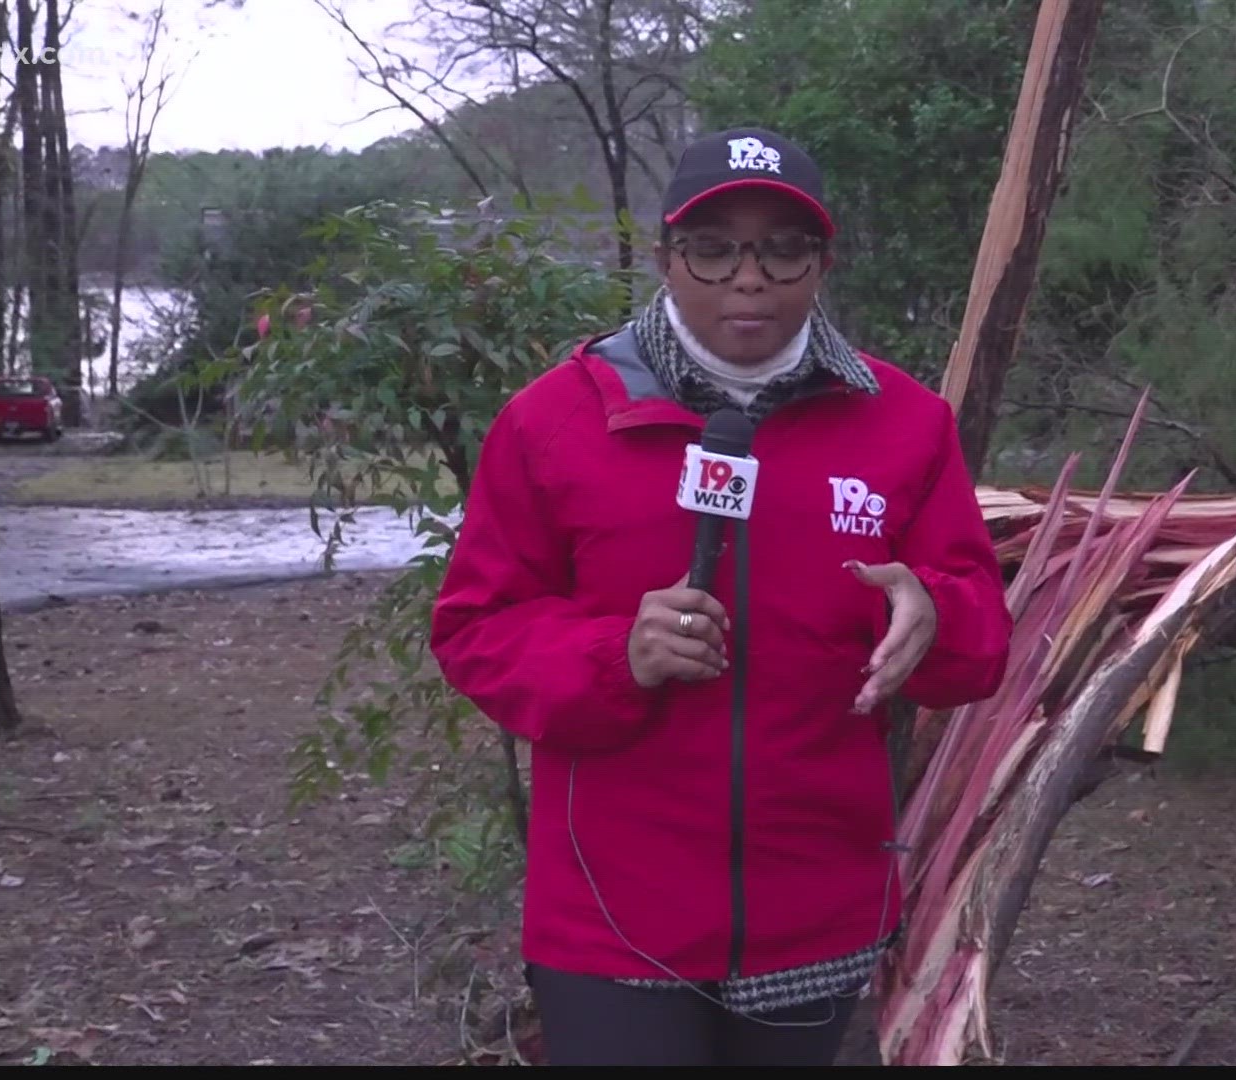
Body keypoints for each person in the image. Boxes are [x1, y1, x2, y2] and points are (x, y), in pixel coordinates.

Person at [427, 126, 1014, 1066]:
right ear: (666, 258)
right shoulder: (552, 422)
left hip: (816, 915)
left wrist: (934, 611)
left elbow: (982, 639)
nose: (750, 277)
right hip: (612, 921)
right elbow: (475, 629)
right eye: (715, 247)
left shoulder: (905, 424)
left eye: (784, 248)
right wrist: (616, 654)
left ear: (821, 262)